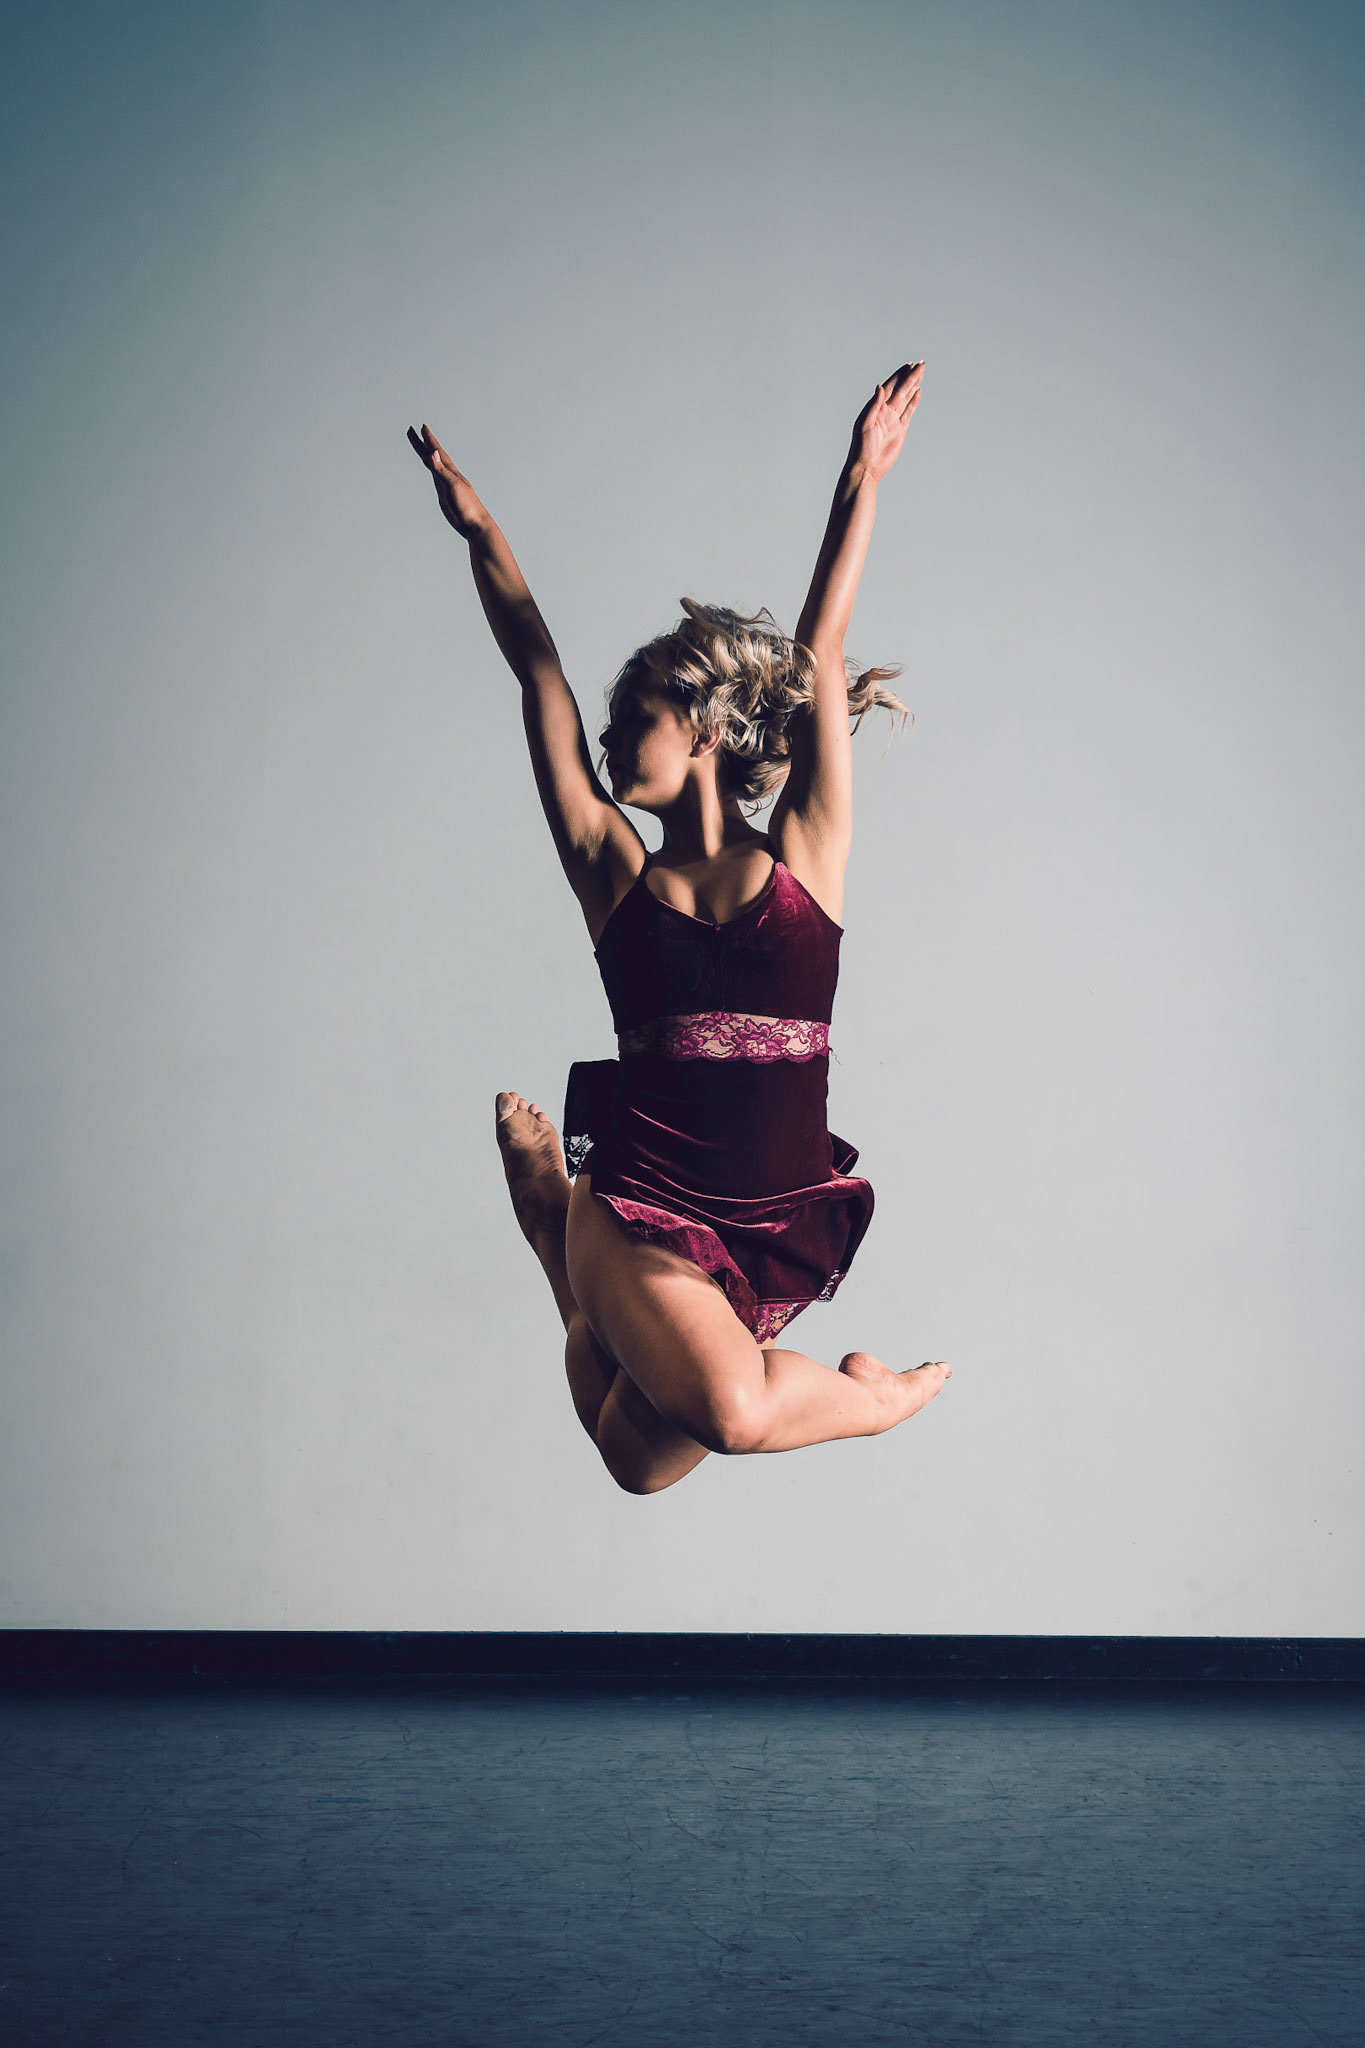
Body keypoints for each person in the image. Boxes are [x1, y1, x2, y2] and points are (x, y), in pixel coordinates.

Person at [407, 363, 951, 1494]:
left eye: (635, 713)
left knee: (636, 1458)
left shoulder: (807, 853)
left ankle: (553, 1249)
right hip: (639, 1207)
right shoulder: (612, 873)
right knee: (736, 1412)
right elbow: (540, 680)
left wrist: (861, 479)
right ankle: (866, 1399)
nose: (611, 735)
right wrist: (483, 534)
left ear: (704, 725)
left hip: (760, 1231)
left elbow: (822, 649)